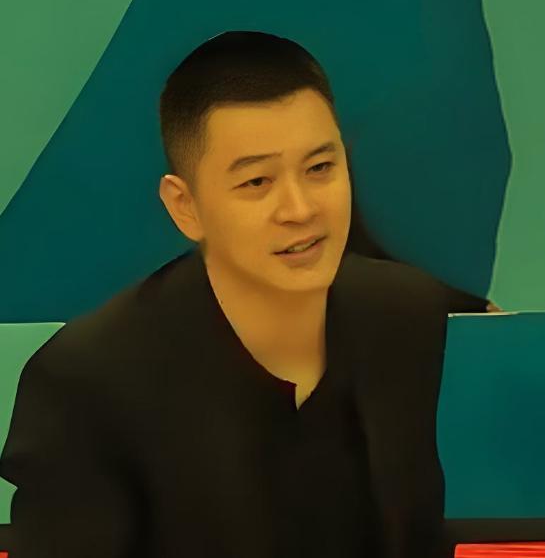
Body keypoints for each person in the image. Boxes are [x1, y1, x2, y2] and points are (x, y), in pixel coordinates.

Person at [0, 31, 486, 557]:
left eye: (320, 169)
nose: (300, 209)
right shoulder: (84, 385)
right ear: (185, 207)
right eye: (257, 182)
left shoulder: (410, 316)